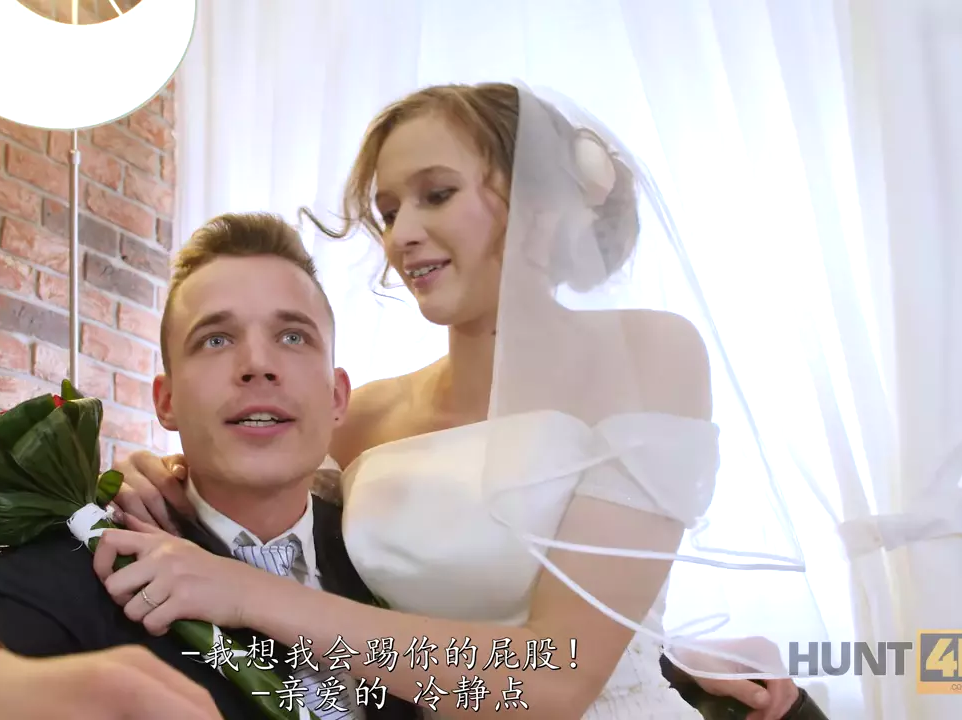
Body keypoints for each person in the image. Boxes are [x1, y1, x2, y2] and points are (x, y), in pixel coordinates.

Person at [105, 82, 821, 720]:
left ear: (540, 202)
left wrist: (244, 594)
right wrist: (154, 475)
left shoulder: (651, 356)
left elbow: (558, 681)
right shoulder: (367, 416)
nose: (402, 235)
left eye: (437, 194)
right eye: (389, 210)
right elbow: (250, 489)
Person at [0, 213, 420, 720]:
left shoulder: (386, 548)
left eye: (293, 337)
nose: (257, 364)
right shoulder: (104, 556)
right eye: (215, 339)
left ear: (337, 396)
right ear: (166, 401)